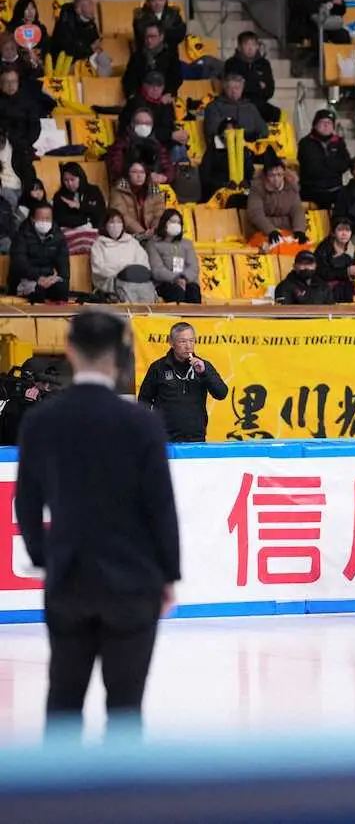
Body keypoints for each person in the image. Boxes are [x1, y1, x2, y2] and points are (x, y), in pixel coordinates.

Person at [16, 312, 179, 737]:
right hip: (133, 582)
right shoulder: (142, 422)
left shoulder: (41, 421)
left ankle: (59, 797)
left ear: (70, 351)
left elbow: (27, 503)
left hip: (69, 578)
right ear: (120, 358)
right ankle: (121, 799)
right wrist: (168, 574)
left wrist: (45, 558)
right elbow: (160, 506)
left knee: (64, 699)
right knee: (126, 707)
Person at [136, 321, 229, 442]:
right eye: (183, 341)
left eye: (191, 341)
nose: (188, 346)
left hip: (196, 438)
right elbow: (144, 399)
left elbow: (222, 394)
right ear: (171, 343)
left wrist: (204, 373)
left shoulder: (203, 366)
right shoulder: (158, 367)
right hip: (164, 438)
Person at [9, 202, 68, 303]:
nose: (45, 222)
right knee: (38, 293)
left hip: (48, 279)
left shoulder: (58, 237)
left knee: (61, 290)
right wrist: (38, 278)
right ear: (32, 219)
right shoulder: (21, 236)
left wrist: (61, 279)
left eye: (48, 218)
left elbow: (63, 263)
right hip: (26, 280)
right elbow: (19, 263)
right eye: (41, 219)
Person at [89, 210, 152, 300]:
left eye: (119, 222)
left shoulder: (132, 243)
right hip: (110, 286)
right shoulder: (98, 245)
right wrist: (122, 273)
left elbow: (144, 264)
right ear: (105, 225)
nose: (116, 225)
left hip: (136, 284)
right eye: (112, 222)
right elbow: (99, 269)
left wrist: (131, 273)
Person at [247, 159, 307, 250]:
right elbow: (255, 214)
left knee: (301, 247)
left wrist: (299, 230)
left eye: (279, 175)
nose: (276, 179)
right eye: (272, 175)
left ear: (284, 174)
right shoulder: (257, 188)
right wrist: (270, 230)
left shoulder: (291, 187)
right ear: (266, 176)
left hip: (287, 231)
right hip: (263, 232)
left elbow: (297, 210)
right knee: (274, 248)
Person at [298, 109, 351, 209]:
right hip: (312, 190)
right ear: (315, 124)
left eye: (329, 123)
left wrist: (326, 164)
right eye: (323, 122)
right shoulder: (305, 143)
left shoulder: (339, 142)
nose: (326, 125)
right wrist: (333, 166)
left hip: (335, 189)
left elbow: (345, 164)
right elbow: (312, 169)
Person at [224, 31, 280, 124]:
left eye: (253, 44)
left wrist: (247, 83)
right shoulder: (231, 63)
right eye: (246, 44)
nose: (250, 48)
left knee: (277, 114)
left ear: (258, 46)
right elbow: (234, 89)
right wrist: (258, 85)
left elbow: (270, 90)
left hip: (260, 104)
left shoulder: (264, 64)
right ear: (240, 47)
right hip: (238, 104)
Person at [146, 209, 200, 304]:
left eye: (178, 222)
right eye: (172, 221)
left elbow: (193, 267)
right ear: (164, 223)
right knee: (177, 292)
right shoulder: (153, 244)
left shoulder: (187, 243)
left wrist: (184, 278)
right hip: (164, 283)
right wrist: (175, 279)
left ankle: (195, 319)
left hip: (186, 281)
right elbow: (157, 270)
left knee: (193, 291)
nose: (175, 224)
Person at [121, 21, 182, 100]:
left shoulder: (170, 56)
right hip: (141, 100)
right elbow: (129, 79)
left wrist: (169, 93)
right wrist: (132, 95)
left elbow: (176, 78)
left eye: (153, 37)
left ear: (161, 37)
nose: (149, 40)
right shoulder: (137, 56)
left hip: (164, 99)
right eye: (147, 37)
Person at [199, 117, 255, 203]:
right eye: (228, 131)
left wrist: (247, 183)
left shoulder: (244, 151)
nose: (232, 134)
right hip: (218, 194)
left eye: (235, 131)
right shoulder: (212, 151)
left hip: (240, 191)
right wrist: (224, 185)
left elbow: (251, 173)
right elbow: (205, 178)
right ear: (221, 133)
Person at [51, 161, 106, 249]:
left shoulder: (93, 191)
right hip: (70, 232)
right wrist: (85, 220)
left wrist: (80, 206)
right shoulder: (59, 196)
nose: (69, 183)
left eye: (72, 179)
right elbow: (60, 219)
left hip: (94, 231)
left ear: (80, 177)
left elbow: (100, 212)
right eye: (66, 180)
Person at [204, 72, 268, 144]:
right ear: (225, 88)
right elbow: (212, 134)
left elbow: (264, 131)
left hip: (251, 149)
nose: (234, 91)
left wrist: (251, 138)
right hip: (224, 150)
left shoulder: (250, 107)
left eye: (237, 88)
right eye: (230, 88)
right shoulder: (214, 107)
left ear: (242, 88)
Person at [110, 163, 166, 240]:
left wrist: (154, 228)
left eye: (142, 172)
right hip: (129, 235)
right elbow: (122, 215)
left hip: (152, 234)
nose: (139, 176)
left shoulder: (154, 191)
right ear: (128, 174)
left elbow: (159, 213)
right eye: (134, 172)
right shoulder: (118, 191)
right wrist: (142, 233)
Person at [313, 217, 355, 303]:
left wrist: (354, 273)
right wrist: (346, 272)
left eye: (347, 230)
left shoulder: (351, 248)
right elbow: (321, 272)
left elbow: (351, 272)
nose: (344, 234)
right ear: (333, 233)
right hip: (324, 287)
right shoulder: (324, 248)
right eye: (340, 230)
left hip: (344, 288)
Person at [49, 0, 104, 67]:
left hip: (86, 59)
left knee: (104, 59)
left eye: (92, 4)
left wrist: (97, 48)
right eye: (88, 5)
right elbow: (69, 50)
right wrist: (90, 49)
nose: (92, 8)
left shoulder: (90, 22)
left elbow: (95, 41)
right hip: (66, 63)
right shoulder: (65, 23)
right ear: (78, 9)